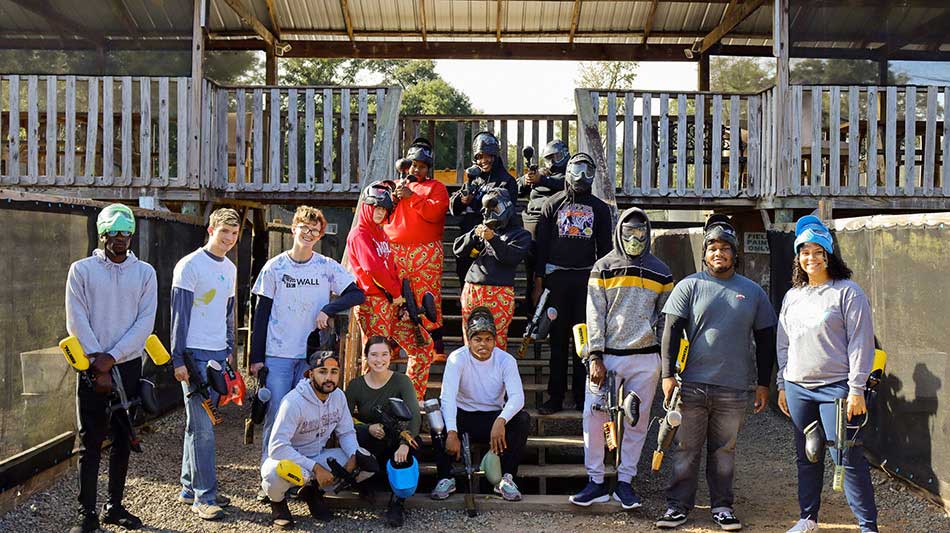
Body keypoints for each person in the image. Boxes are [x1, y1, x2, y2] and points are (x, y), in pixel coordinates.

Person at [656, 215, 778, 532]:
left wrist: (763, 384)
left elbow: (766, 340)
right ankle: (677, 507)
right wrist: (668, 375)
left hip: (734, 389)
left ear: (735, 254)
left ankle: (722, 506)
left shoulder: (752, 293)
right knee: (686, 450)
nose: (719, 253)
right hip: (690, 386)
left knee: (724, 452)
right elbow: (670, 331)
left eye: (725, 248)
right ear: (705, 254)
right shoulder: (689, 286)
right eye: (713, 249)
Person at [776, 216, 879, 533]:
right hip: (798, 388)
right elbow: (784, 343)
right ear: (798, 257)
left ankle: (867, 526)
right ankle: (808, 519)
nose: (811, 258)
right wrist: (782, 383)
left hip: (836, 390)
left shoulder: (848, 293)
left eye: (817, 251)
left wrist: (857, 389)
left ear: (829, 255)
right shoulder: (793, 296)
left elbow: (861, 343)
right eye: (804, 251)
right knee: (807, 455)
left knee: (846, 458)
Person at [571, 208, 673, 509]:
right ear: (619, 232)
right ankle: (596, 481)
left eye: (641, 233)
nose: (635, 239)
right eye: (629, 233)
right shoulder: (603, 267)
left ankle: (625, 482)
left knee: (636, 421)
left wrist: (667, 363)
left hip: (645, 358)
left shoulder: (661, 271)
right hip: (607, 358)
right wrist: (595, 356)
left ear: (648, 233)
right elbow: (594, 314)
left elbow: (666, 318)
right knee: (595, 417)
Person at [250, 205, 365, 473]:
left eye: (314, 230)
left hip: (311, 357)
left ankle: (299, 472)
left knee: (304, 415)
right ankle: (270, 473)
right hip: (277, 353)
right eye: (304, 227)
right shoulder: (274, 267)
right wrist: (256, 358)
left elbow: (356, 294)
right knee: (276, 414)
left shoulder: (326, 267)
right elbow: (261, 314)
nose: (308, 233)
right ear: (294, 229)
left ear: (320, 236)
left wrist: (328, 309)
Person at [66, 204, 157, 533]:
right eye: (114, 233)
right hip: (91, 368)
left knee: (123, 438)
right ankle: (86, 513)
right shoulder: (82, 271)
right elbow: (77, 318)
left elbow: (144, 323)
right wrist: (97, 361)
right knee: (89, 441)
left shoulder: (145, 273)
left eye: (126, 233)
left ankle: (114, 506)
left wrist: (113, 357)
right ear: (103, 234)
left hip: (128, 366)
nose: (121, 239)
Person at [170, 207, 241, 520]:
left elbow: (227, 313)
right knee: (205, 429)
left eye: (234, 234)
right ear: (211, 229)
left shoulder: (230, 268)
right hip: (194, 356)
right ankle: (204, 497)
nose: (228, 239)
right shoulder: (189, 265)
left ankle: (189, 488)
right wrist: (178, 358)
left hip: (216, 355)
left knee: (197, 426)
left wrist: (228, 351)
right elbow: (179, 316)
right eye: (224, 231)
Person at [533, 152, 613, 414]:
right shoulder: (552, 204)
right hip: (556, 282)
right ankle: (555, 397)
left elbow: (605, 251)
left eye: (587, 171)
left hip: (586, 282)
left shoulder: (600, 209)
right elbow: (540, 248)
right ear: (567, 172)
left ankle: (582, 398)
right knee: (557, 342)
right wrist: (538, 284)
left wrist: (605, 289)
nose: (581, 177)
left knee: (584, 343)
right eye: (576, 170)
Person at [348, 181, 437, 401]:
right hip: (373, 303)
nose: (379, 213)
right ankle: (368, 408)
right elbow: (373, 269)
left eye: (383, 210)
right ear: (367, 206)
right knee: (376, 358)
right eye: (376, 207)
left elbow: (392, 269)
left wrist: (403, 302)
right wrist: (395, 295)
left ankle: (409, 401)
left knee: (423, 347)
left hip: (394, 304)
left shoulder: (382, 234)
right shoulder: (360, 234)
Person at [430, 307, 530, 502]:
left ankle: (507, 478)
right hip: (463, 416)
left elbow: (517, 397)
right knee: (437, 415)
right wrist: (451, 431)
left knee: (522, 419)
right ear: (469, 341)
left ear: (494, 340)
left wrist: (501, 420)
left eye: (488, 339)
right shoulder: (457, 358)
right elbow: (447, 397)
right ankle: (445, 477)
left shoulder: (505, 360)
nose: (483, 345)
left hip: (493, 418)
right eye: (477, 339)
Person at [261, 350, 365, 528]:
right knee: (273, 473)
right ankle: (278, 503)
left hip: (318, 455)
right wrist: (316, 468)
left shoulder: (338, 396)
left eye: (334, 372)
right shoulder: (293, 402)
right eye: (322, 371)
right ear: (310, 374)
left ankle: (312, 492)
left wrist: (353, 456)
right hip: (292, 461)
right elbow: (277, 448)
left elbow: (346, 432)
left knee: (365, 460)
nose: (329, 378)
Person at [385, 138, 449, 386]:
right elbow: (384, 214)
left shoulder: (437, 187)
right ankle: (393, 344)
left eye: (422, 166)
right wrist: (395, 197)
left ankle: (436, 345)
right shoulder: (396, 185)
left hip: (426, 249)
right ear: (406, 165)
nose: (416, 170)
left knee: (427, 296)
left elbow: (435, 213)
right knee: (396, 295)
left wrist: (412, 197)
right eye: (413, 165)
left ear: (428, 168)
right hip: (395, 248)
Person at [346, 336, 422, 527]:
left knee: (410, 447)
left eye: (384, 354)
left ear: (391, 356)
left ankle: (397, 502)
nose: (379, 360)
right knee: (358, 436)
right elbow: (343, 420)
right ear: (366, 357)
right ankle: (363, 483)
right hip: (369, 443)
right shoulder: (356, 385)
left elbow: (414, 417)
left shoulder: (402, 381)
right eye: (374, 355)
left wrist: (404, 444)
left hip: (396, 439)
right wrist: (367, 428)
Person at [453, 188, 531, 351]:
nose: (490, 213)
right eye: (488, 209)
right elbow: (458, 250)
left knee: (496, 342)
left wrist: (493, 239)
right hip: (473, 290)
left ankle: (493, 377)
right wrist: (474, 235)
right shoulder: (481, 229)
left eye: (494, 208)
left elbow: (510, 257)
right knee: (471, 340)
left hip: (499, 293)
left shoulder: (521, 235)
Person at [450, 131, 519, 285]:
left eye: (487, 155)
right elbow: (454, 209)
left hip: (494, 240)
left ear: (495, 156)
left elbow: (507, 213)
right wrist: (463, 200)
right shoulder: (473, 180)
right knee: (465, 278)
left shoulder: (507, 181)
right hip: (470, 238)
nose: (483, 160)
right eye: (479, 156)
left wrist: (480, 202)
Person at [518, 139, 568, 313]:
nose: (553, 161)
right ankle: (530, 319)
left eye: (557, 156)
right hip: (531, 225)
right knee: (531, 275)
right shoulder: (539, 173)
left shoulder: (569, 174)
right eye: (549, 158)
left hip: (555, 229)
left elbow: (567, 185)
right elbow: (515, 188)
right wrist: (526, 180)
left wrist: (543, 180)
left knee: (551, 276)